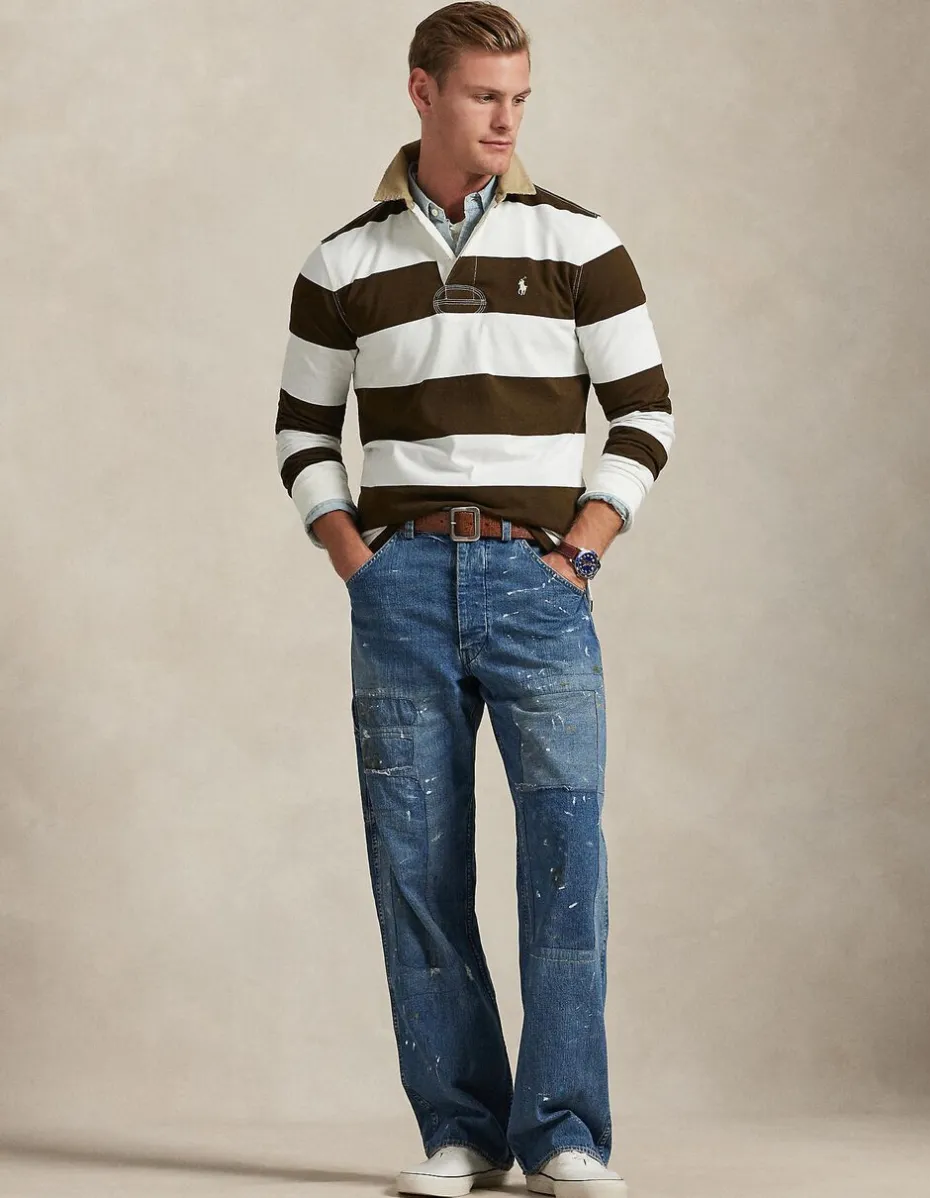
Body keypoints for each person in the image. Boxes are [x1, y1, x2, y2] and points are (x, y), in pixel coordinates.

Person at [274, 4, 674, 1196]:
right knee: (416, 866)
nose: (506, 119)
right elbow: (301, 434)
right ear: (423, 92)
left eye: (519, 98)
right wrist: (358, 561)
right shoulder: (342, 262)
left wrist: (581, 551)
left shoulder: (581, 242)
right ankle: (460, 1128)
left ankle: (563, 1133)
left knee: (565, 860)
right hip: (399, 588)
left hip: (538, 585)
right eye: (483, 95)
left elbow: (646, 413)